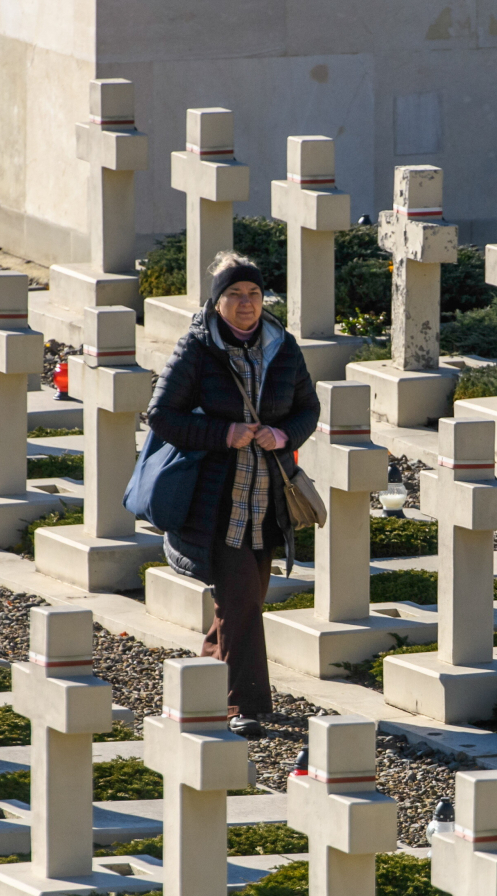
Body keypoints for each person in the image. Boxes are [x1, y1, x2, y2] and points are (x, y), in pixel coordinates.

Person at [145, 252, 321, 738]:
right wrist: (224, 433)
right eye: (235, 295)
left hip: (269, 503)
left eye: (254, 294)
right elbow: (161, 416)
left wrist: (283, 437)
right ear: (217, 300)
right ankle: (244, 705)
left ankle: (203, 677)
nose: (246, 304)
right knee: (241, 598)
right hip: (217, 502)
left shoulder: (283, 348)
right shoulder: (196, 350)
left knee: (245, 600)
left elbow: (307, 407)